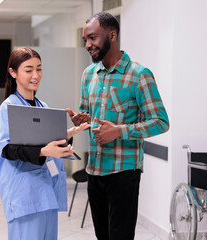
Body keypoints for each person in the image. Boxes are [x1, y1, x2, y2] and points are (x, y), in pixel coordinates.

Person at [67, 12, 170, 240]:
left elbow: (161, 122)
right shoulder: (88, 75)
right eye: (85, 40)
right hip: (95, 169)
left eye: (92, 38)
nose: (88, 45)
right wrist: (81, 120)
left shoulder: (139, 75)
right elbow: (88, 113)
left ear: (112, 35)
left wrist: (119, 131)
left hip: (124, 172)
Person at [0, 47, 90, 240]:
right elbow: (8, 149)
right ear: (13, 73)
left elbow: (47, 142)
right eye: (28, 70)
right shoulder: (8, 108)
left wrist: (68, 134)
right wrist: (43, 151)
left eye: (39, 68)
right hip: (24, 194)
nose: (35, 75)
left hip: (46, 191)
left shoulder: (43, 106)